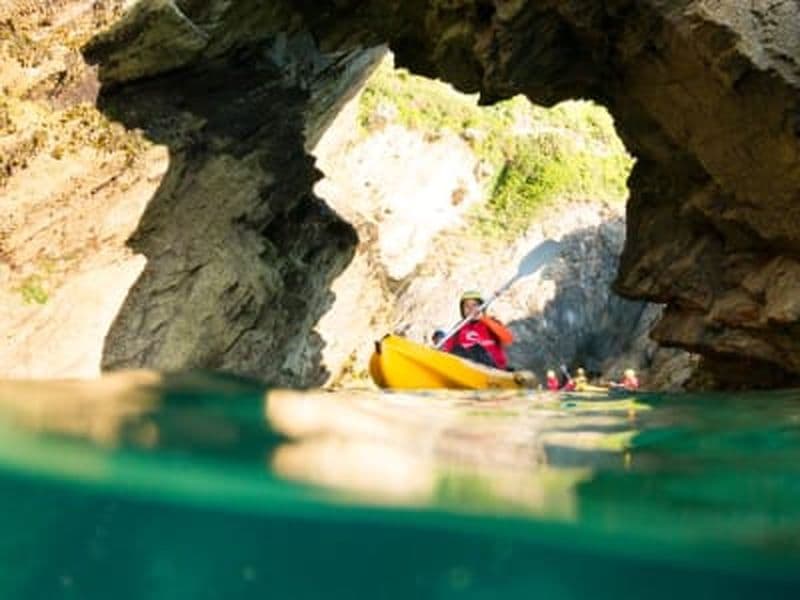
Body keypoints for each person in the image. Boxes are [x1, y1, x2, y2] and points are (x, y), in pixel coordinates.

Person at [441, 290, 513, 370]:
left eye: (475, 305)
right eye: (466, 306)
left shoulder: (491, 322)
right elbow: (446, 350)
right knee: (457, 350)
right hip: (467, 368)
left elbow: (508, 339)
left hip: (493, 369)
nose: (471, 309)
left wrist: (483, 318)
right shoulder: (459, 328)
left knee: (476, 349)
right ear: (462, 310)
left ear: (481, 307)